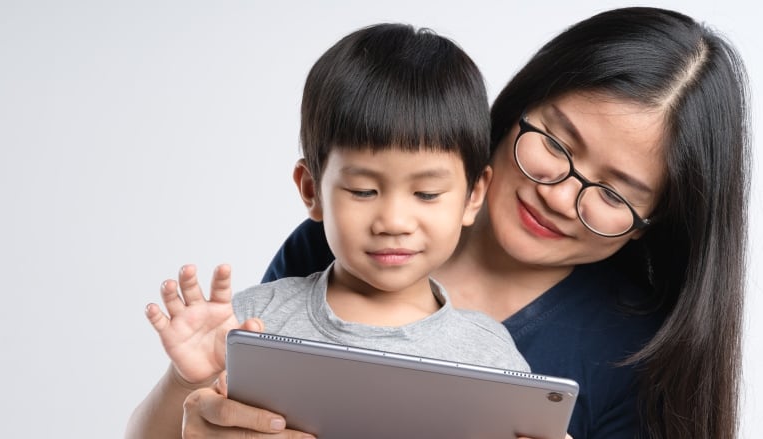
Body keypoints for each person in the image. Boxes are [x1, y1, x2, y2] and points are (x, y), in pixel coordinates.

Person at [145, 6, 748, 439]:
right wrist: (193, 411)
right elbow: (198, 410)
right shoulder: (335, 254)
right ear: (512, 113)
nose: (562, 196)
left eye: (615, 193)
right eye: (557, 145)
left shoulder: (630, 354)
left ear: (650, 223)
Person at [126, 23, 533, 439]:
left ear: (472, 196)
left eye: (427, 193)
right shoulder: (253, 326)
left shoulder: (489, 355)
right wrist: (184, 380)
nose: (393, 221)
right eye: (363, 190)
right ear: (311, 189)